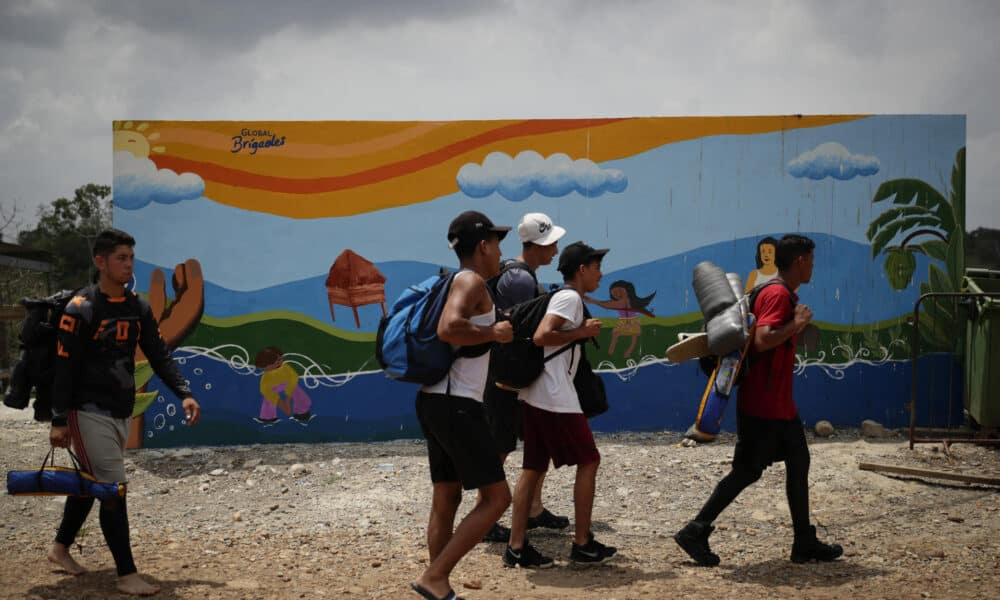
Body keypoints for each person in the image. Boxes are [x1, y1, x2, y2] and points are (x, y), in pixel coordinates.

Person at [47, 229, 202, 596]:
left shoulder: (138, 307)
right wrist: (57, 419)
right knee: (113, 488)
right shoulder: (80, 308)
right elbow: (63, 368)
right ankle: (126, 573)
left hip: (119, 410)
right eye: (121, 258)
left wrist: (184, 393)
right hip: (86, 411)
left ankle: (58, 549)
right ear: (100, 261)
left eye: (131, 257)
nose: (128, 264)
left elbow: (159, 354)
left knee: (90, 481)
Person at [674, 234, 843, 566]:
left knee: (798, 462)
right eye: (811, 260)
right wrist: (796, 324)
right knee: (746, 471)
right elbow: (764, 339)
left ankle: (803, 542)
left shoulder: (774, 291)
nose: (813, 266)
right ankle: (695, 530)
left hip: (778, 405)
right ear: (800, 261)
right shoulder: (778, 294)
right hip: (764, 406)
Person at [411, 211, 514, 600]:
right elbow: (449, 328)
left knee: (447, 496)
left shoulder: (451, 280)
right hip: (457, 405)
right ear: (484, 245)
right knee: (498, 498)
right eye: (498, 244)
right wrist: (495, 333)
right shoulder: (470, 280)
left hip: (434, 400)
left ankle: (439, 586)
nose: (501, 252)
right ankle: (434, 578)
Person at [504, 241, 617, 568]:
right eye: (596, 267)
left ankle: (516, 547)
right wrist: (581, 330)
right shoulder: (569, 297)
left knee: (533, 467)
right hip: (555, 398)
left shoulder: (562, 297)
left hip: (538, 394)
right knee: (590, 460)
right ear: (582, 269)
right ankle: (582, 542)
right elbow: (542, 336)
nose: (600, 274)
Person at [481, 212, 570, 544]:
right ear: (539, 244)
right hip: (509, 377)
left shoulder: (520, 276)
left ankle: (532, 508)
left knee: (537, 441)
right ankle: (486, 516)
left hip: (513, 375)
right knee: (501, 445)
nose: (556, 251)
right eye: (553, 244)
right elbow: (525, 330)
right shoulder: (520, 280)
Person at [584, 280, 655, 358]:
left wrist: (650, 314)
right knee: (615, 334)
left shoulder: (632, 301)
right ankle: (611, 348)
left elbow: (640, 309)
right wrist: (593, 301)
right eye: (614, 293)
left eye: (620, 291)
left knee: (634, 336)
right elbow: (606, 304)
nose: (618, 294)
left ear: (627, 290)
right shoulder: (617, 302)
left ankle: (630, 349)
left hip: (633, 320)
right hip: (622, 320)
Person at [253, 346, 314, 425]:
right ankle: (267, 418)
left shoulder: (285, 368)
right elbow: (267, 392)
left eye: (280, 359)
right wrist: (283, 405)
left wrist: (288, 400)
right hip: (272, 389)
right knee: (268, 400)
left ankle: (302, 413)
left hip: (287, 384)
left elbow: (293, 378)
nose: (280, 362)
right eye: (277, 361)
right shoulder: (266, 379)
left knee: (301, 396)